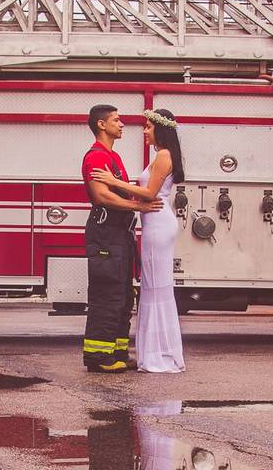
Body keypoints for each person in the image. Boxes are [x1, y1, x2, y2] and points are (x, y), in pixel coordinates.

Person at [92, 108, 186, 373]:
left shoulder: (164, 156)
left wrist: (113, 181)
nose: (144, 131)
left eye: (148, 127)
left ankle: (160, 356)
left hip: (157, 222)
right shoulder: (160, 156)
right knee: (153, 287)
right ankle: (157, 351)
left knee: (156, 288)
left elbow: (149, 192)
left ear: (160, 129)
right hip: (154, 222)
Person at [81, 105, 164, 373]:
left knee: (123, 295)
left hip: (119, 234)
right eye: (116, 120)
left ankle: (117, 350)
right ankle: (97, 356)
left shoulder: (112, 157)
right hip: (105, 234)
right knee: (107, 293)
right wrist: (139, 207)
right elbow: (102, 196)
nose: (122, 124)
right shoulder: (95, 157)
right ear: (102, 125)